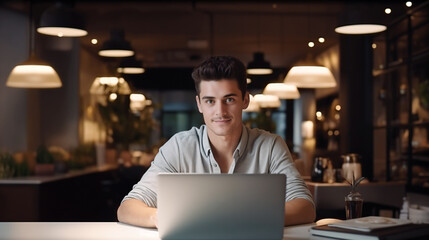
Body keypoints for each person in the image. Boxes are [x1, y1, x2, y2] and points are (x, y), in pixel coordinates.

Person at [117, 56, 315, 228]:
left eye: (229, 99)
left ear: (245, 100)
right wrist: (160, 217)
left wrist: (250, 220)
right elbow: (127, 208)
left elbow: (305, 205)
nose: (220, 111)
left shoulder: (270, 146)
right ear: (199, 104)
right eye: (210, 101)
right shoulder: (178, 147)